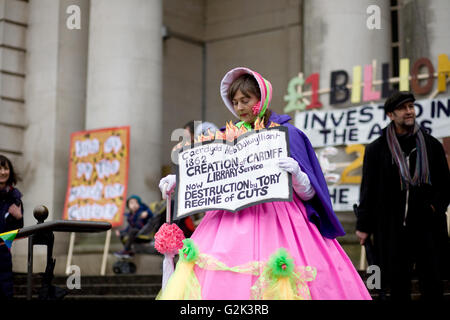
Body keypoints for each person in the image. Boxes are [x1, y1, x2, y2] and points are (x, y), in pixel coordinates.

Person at [157, 67, 371, 300]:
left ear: (262, 99)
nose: (240, 108)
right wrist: (180, 180)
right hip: (226, 223)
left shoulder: (289, 134)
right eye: (235, 102)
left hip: (281, 223)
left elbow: (311, 194)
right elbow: (209, 175)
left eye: (246, 100)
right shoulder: (224, 137)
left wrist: (298, 175)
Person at [356, 91, 450, 300]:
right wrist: (363, 226)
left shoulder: (431, 145)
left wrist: (434, 207)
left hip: (428, 227)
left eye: (411, 107)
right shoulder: (376, 150)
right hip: (391, 229)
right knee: (397, 287)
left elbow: (445, 186)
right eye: (403, 108)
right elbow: (368, 190)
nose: (409, 112)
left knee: (433, 285)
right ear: (391, 114)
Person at [0, 155, 24, 299]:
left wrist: (18, 217)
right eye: (0, 168)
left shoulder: (15, 198)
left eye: (6, 168)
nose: (3, 172)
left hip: (3, 255)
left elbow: (19, 230)